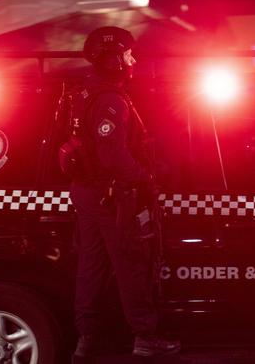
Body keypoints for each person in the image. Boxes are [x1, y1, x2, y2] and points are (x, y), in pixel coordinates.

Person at [69, 26, 180, 362]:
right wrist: (145, 178)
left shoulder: (85, 91)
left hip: (88, 192)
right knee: (131, 264)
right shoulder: (110, 100)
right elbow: (112, 156)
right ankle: (146, 337)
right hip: (111, 197)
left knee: (91, 268)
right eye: (129, 54)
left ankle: (87, 340)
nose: (134, 60)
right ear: (115, 60)